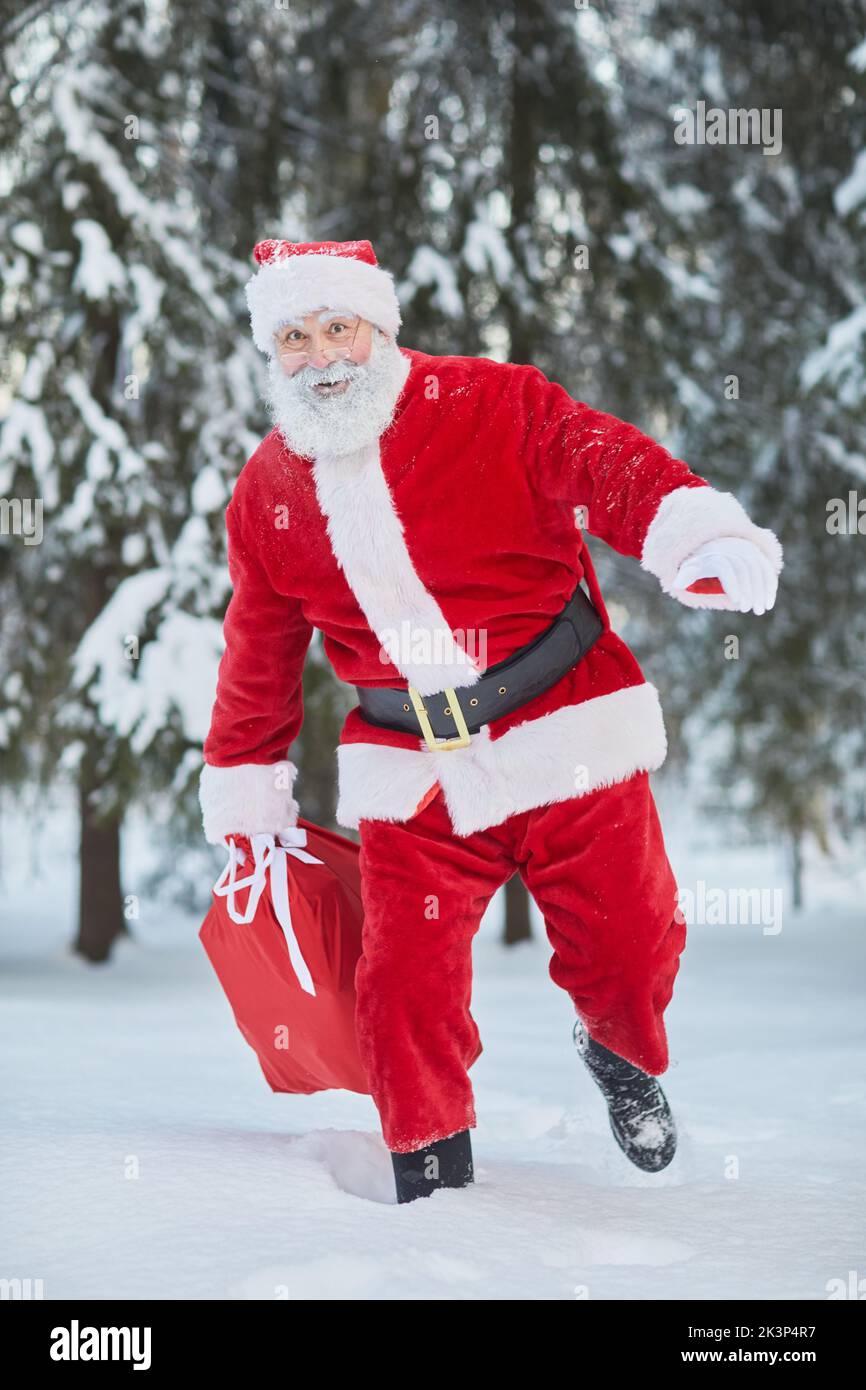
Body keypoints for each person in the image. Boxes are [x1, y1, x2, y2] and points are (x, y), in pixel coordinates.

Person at [199, 238, 782, 1203]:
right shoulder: (269, 490)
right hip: (411, 767)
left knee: (630, 947)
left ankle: (621, 1053)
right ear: (275, 354)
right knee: (401, 990)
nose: (322, 355)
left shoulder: (492, 401)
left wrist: (691, 530)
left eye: (338, 327)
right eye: (295, 338)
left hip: (566, 729)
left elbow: (604, 458)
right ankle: (431, 1178)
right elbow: (257, 649)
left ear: (380, 328)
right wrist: (244, 785)